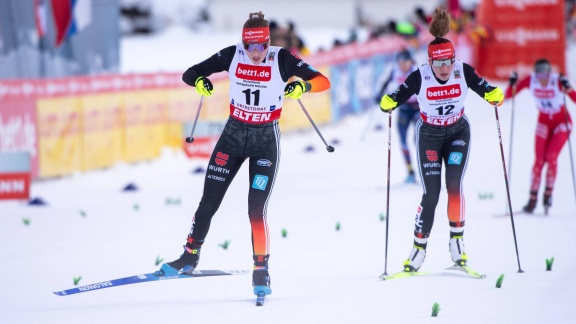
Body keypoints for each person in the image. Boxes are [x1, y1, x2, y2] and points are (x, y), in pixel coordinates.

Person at [157, 12, 330, 298]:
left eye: (262, 46)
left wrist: (303, 85)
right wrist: (200, 82)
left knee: (255, 210)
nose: (256, 53)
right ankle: (189, 255)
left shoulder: (281, 58)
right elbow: (191, 73)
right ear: (243, 44)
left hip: (265, 141)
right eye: (250, 47)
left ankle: (261, 270)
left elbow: (323, 81)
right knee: (208, 202)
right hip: (233, 137)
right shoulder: (232, 54)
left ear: (268, 42)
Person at [379, 7, 504, 272]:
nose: (445, 68)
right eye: (439, 63)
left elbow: (485, 88)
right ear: (430, 62)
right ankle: (418, 248)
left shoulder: (462, 70)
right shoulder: (420, 75)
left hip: (458, 132)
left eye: (448, 61)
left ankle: (457, 242)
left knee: (455, 185)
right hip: (430, 136)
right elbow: (398, 95)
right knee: (431, 194)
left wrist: (494, 94)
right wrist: (389, 102)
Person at [506, 59, 576, 214]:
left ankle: (548, 194)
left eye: (545, 75)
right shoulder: (531, 80)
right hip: (544, 121)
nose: (542, 79)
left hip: (561, 122)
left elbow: (575, 98)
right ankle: (532, 200)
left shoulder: (557, 81)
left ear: (549, 73)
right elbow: (509, 95)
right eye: (539, 75)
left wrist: (568, 87)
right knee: (538, 161)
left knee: (551, 157)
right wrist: (512, 83)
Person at [375, 49, 420, 183]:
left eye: (404, 62)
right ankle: (410, 172)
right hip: (404, 109)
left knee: (418, 141)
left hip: (418, 109)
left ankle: (425, 173)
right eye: (399, 62)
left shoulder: (418, 72)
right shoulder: (395, 71)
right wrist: (380, 95)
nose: (402, 65)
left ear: (410, 61)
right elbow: (385, 83)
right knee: (403, 141)